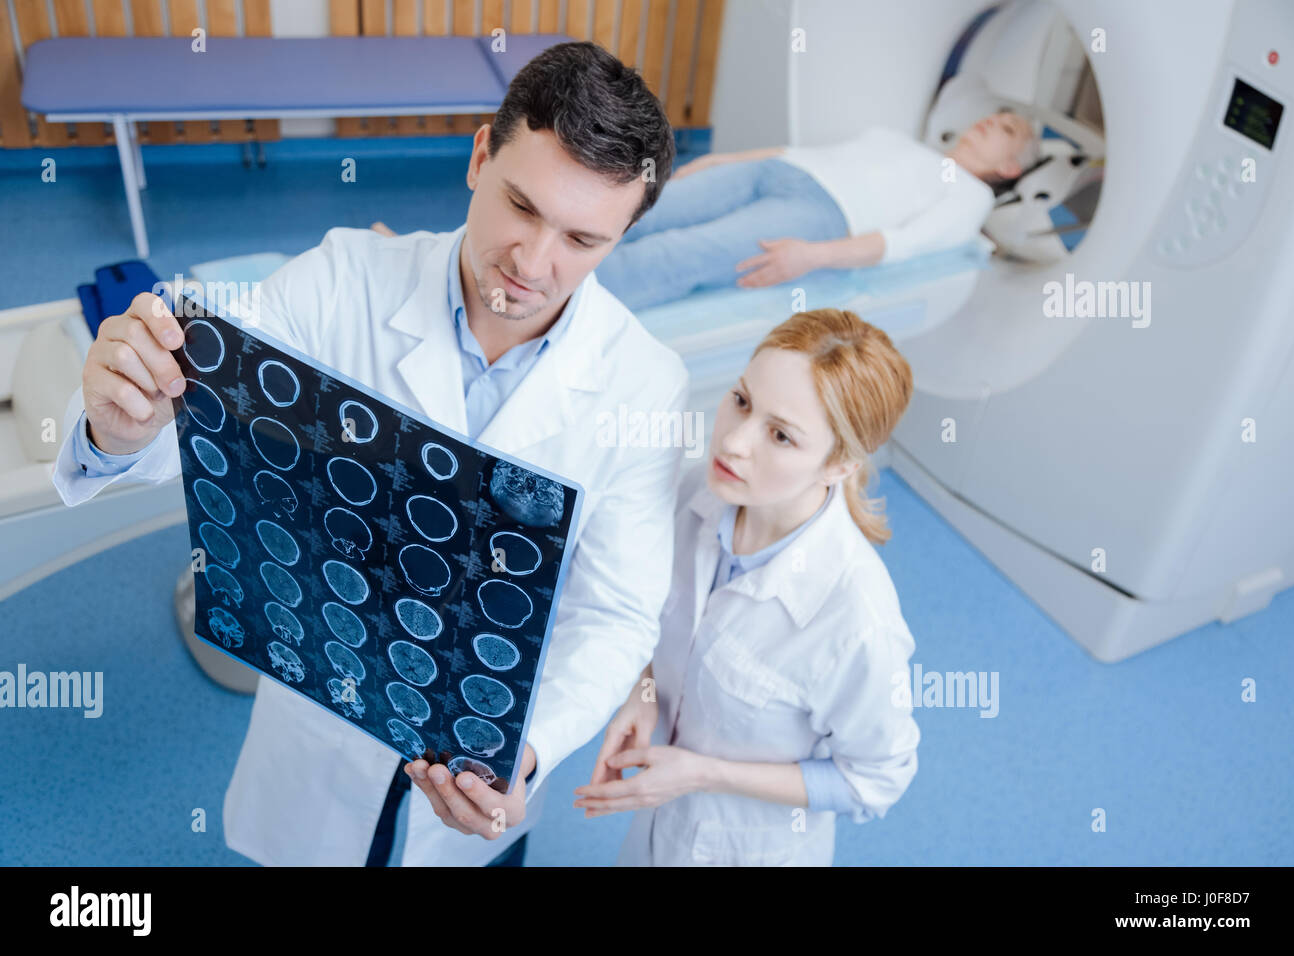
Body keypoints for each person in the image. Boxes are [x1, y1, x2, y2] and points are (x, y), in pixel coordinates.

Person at [50, 40, 688, 868]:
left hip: (480, 769)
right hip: (321, 720)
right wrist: (118, 425)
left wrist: (526, 753)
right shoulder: (342, 281)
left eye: (582, 239)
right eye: (521, 207)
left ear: (621, 236)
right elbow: (198, 427)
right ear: (478, 156)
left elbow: (617, 612)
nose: (534, 264)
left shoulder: (646, 384)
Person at [574, 308, 922, 866]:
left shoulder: (856, 620)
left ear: (837, 465)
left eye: (780, 435)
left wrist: (705, 774)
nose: (733, 442)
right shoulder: (697, 495)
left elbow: (876, 780)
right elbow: (650, 619)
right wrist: (642, 693)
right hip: (654, 835)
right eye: (741, 400)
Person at [594, 110, 1039, 310]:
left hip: (823, 214)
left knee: (678, 253)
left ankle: (546, 307)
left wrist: (812, 255)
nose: (987, 121)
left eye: (1005, 127)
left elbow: (902, 243)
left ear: (1009, 166)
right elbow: (813, 152)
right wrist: (726, 160)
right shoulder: (898, 140)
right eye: (992, 115)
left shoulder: (971, 196)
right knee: (643, 206)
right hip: (777, 167)